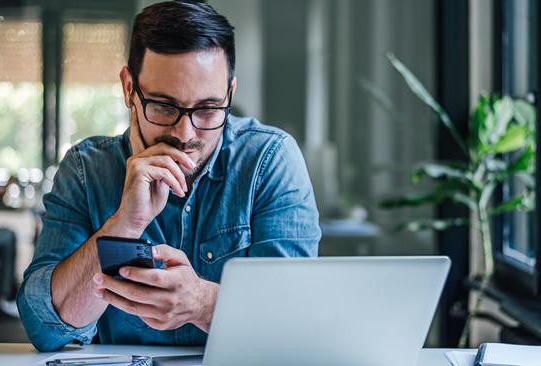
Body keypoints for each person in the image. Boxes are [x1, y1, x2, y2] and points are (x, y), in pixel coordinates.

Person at [17, 0, 321, 352]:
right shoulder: (87, 169)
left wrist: (205, 305)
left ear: (230, 94)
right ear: (129, 88)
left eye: (207, 109)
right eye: (163, 106)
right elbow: (44, 329)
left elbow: (296, 323)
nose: (185, 133)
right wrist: (125, 225)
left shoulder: (269, 161)